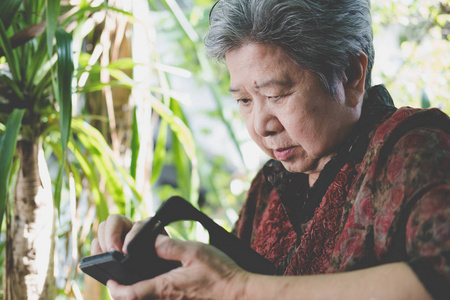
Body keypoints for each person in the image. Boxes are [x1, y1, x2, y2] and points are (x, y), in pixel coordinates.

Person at [91, 0, 450, 299]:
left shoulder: (413, 148)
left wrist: (239, 288)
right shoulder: (271, 184)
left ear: (351, 76)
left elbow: (440, 279)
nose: (261, 124)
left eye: (276, 95)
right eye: (245, 100)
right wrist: (166, 270)